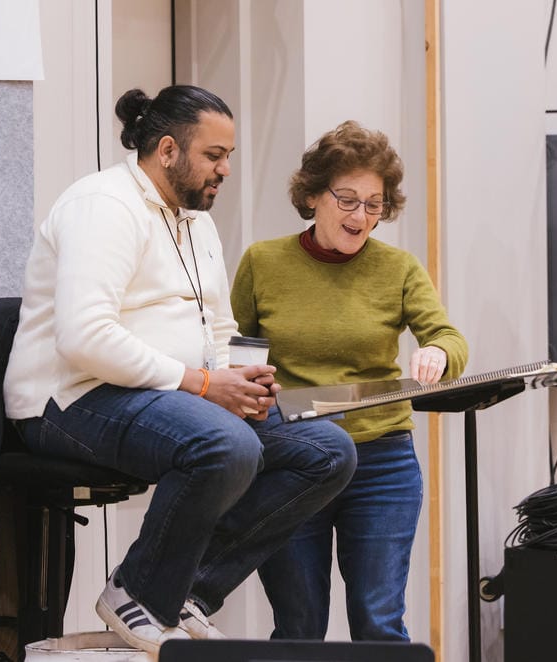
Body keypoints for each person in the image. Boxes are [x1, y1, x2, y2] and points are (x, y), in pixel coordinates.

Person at [2, 85, 356, 654]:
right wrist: (204, 385)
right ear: (167, 150)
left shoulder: (195, 222)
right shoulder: (104, 206)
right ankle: (137, 593)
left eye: (229, 156)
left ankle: (185, 590)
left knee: (326, 451)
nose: (225, 169)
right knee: (227, 445)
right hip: (70, 399)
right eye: (214, 156)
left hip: (168, 398)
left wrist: (239, 381)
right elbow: (84, 337)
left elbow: (215, 325)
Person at [231, 120, 468, 641]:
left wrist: (435, 350)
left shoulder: (399, 268)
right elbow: (238, 355)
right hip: (294, 462)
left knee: (378, 622)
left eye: (374, 204)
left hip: (382, 462)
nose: (361, 216)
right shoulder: (262, 263)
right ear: (313, 194)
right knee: (298, 624)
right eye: (347, 199)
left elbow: (450, 339)